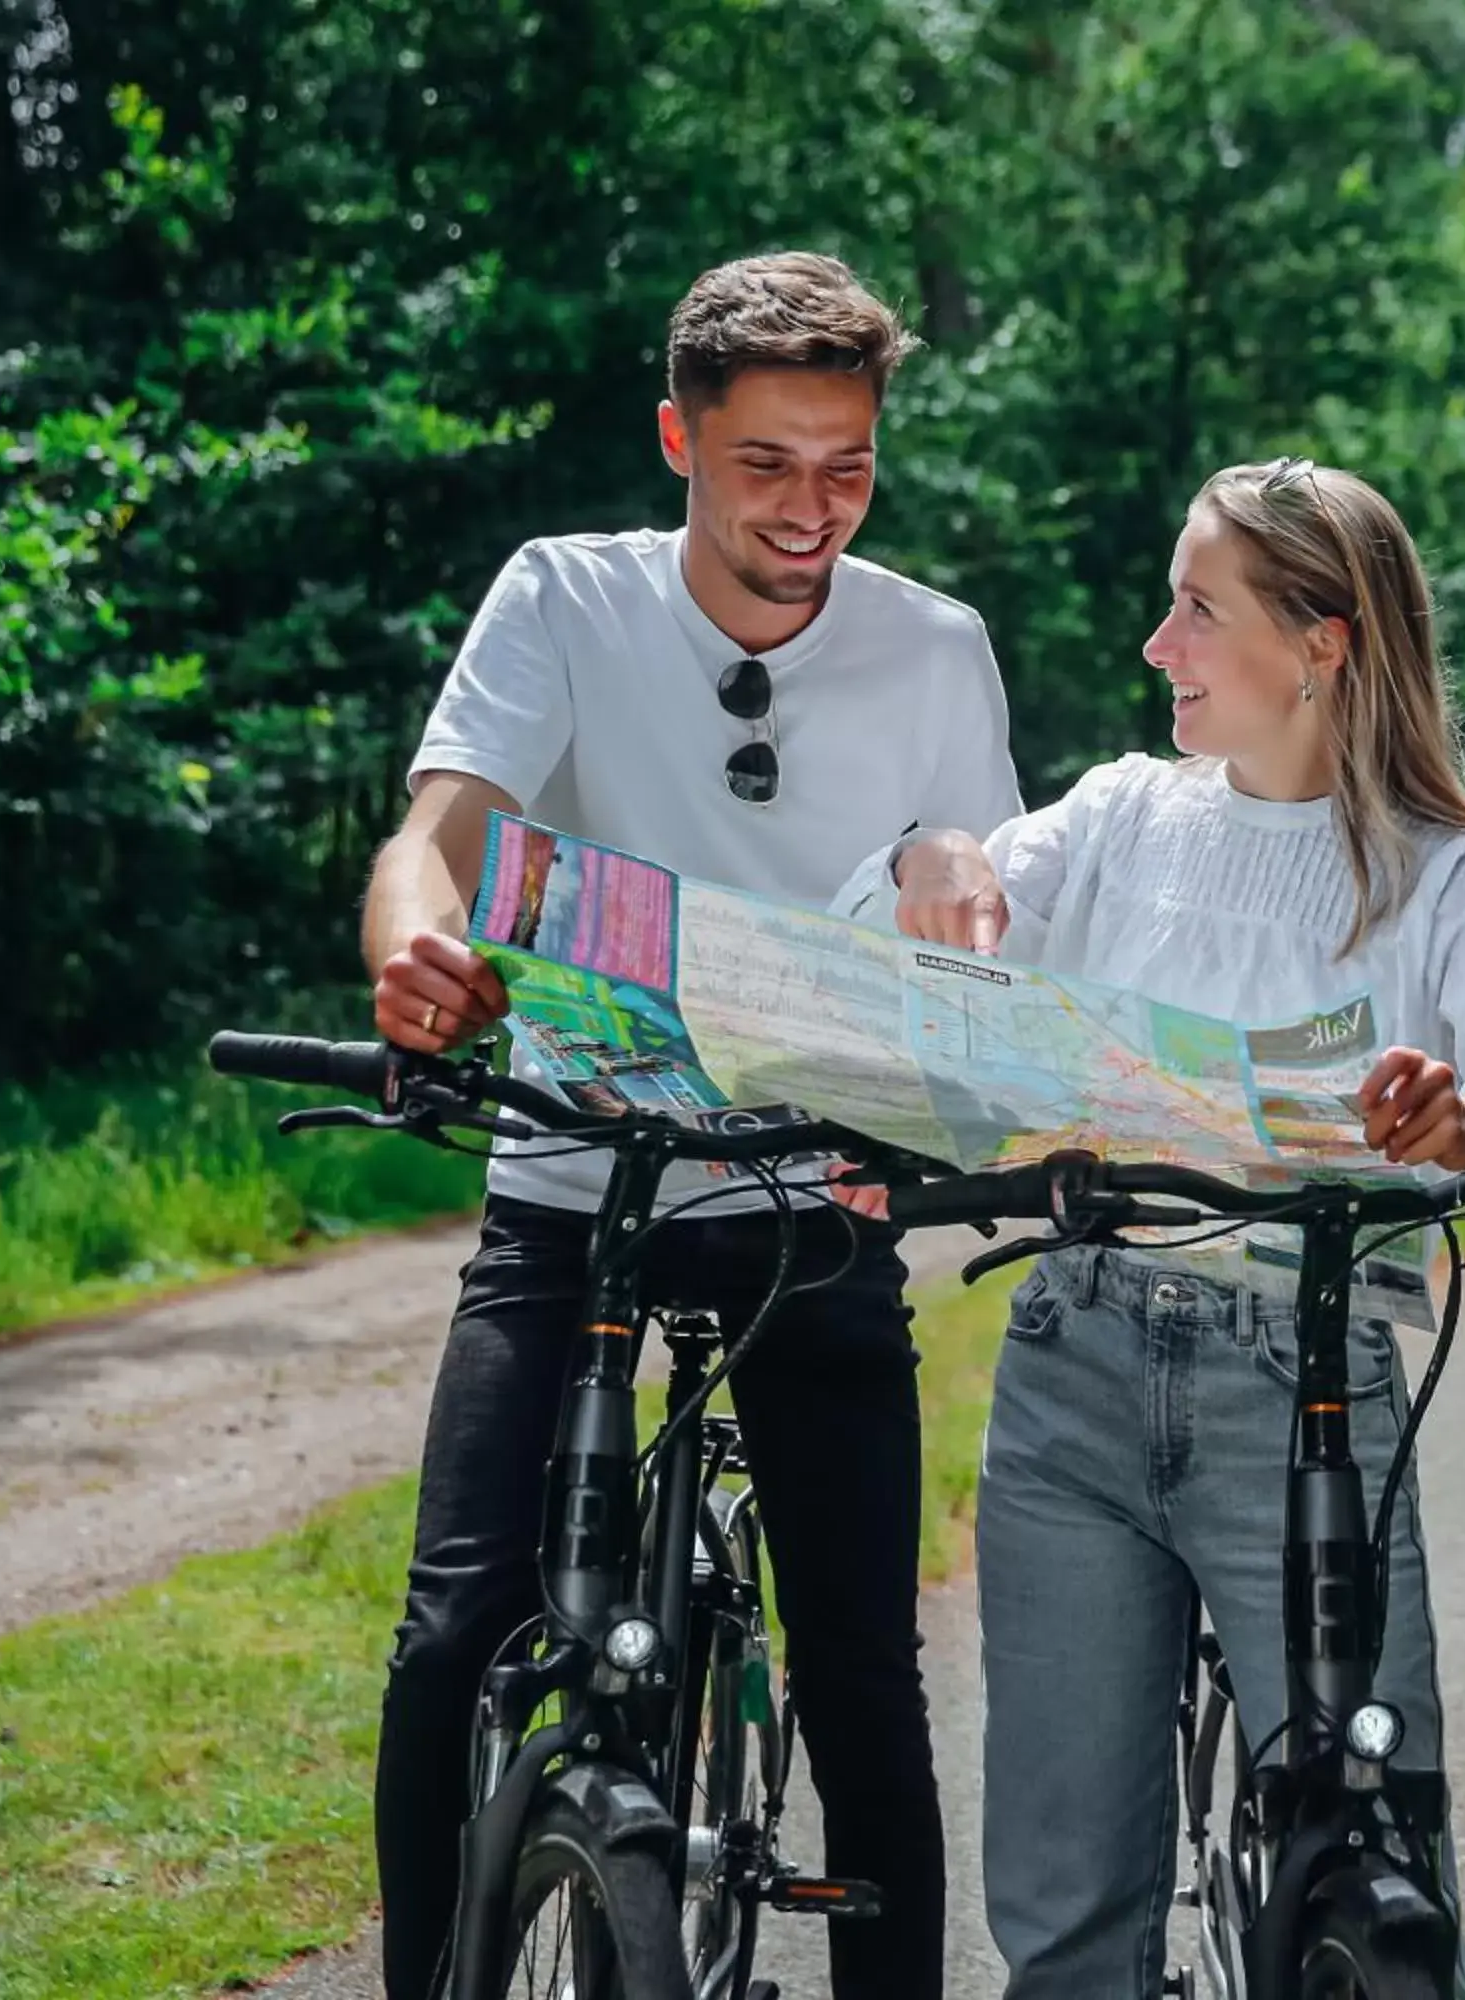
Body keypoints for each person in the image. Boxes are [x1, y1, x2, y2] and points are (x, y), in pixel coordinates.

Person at [835, 458, 1465, 1997]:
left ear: (1321, 642)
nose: (1159, 647)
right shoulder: (1121, 818)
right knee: (1071, 1921)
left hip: (1307, 1400)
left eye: (1198, 610)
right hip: (1072, 1372)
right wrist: (923, 858)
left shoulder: (1443, 878)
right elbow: (901, 953)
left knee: (1375, 1877)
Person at [359, 250, 1023, 2000]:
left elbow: (980, 889)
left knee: (865, 1672)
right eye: (766, 465)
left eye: (850, 467)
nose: (813, 509)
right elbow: (435, 831)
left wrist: (962, 894)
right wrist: (415, 950)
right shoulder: (563, 598)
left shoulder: (937, 646)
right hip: (577, 1181)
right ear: (680, 437)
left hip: (811, 1201)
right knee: (453, 1633)